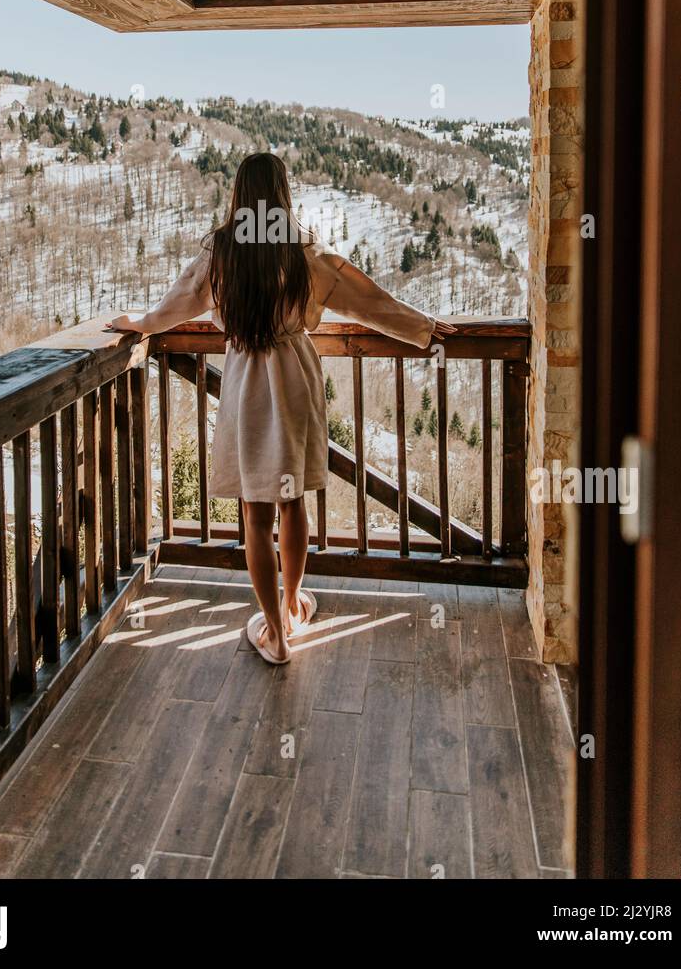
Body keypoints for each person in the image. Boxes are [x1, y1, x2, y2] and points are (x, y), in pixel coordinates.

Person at [107, 152, 455, 664]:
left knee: (255, 511)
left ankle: (275, 631)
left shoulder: (220, 252)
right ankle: (292, 606)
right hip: (293, 377)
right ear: (282, 193)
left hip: (246, 382)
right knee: (292, 501)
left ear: (240, 194)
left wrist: (139, 323)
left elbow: (176, 304)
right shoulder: (304, 251)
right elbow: (365, 298)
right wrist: (421, 326)